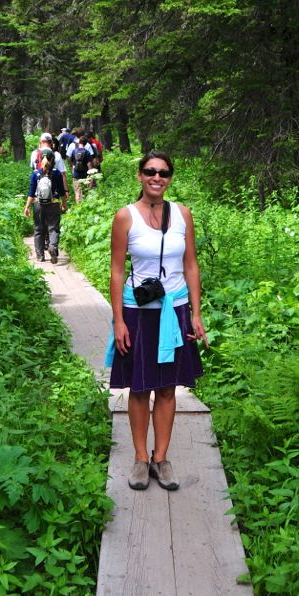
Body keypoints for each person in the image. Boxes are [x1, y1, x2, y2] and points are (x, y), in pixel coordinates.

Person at [105, 151, 207, 491]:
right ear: (139, 175)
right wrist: (118, 319)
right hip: (137, 312)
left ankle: (161, 459)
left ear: (170, 178)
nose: (156, 177)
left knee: (166, 388)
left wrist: (196, 313)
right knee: (139, 387)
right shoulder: (125, 217)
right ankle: (138, 459)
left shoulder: (183, 215)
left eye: (163, 173)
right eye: (150, 171)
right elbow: (117, 271)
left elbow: (191, 265)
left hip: (174, 311)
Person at [24, 151, 68, 263]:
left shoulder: (36, 174)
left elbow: (31, 192)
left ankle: (40, 255)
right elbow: (62, 191)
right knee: (53, 228)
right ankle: (52, 247)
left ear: (39, 159)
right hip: (53, 203)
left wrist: (27, 207)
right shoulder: (57, 173)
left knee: (39, 229)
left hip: (39, 204)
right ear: (53, 159)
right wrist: (64, 203)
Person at [30, 132, 69, 196]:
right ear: (51, 143)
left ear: (40, 142)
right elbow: (62, 174)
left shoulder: (34, 153)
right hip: (54, 192)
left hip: (38, 191)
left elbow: (34, 170)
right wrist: (66, 190)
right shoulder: (56, 154)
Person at [70, 135, 94, 204]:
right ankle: (85, 208)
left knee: (77, 193)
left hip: (76, 175)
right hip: (85, 176)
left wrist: (73, 171)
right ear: (86, 144)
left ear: (79, 142)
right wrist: (91, 178)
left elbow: (72, 163)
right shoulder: (87, 152)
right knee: (85, 193)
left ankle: (79, 208)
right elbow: (89, 165)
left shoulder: (74, 151)